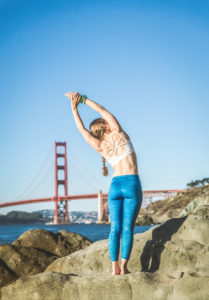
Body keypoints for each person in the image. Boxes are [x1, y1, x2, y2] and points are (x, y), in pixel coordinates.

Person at [65, 91, 143, 275]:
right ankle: (124, 268)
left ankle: (113, 267)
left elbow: (82, 130)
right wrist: (82, 99)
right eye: (106, 122)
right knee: (127, 229)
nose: (108, 121)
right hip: (131, 183)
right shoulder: (118, 132)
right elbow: (101, 109)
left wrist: (73, 108)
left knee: (114, 229)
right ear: (106, 126)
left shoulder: (100, 146)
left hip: (115, 186)